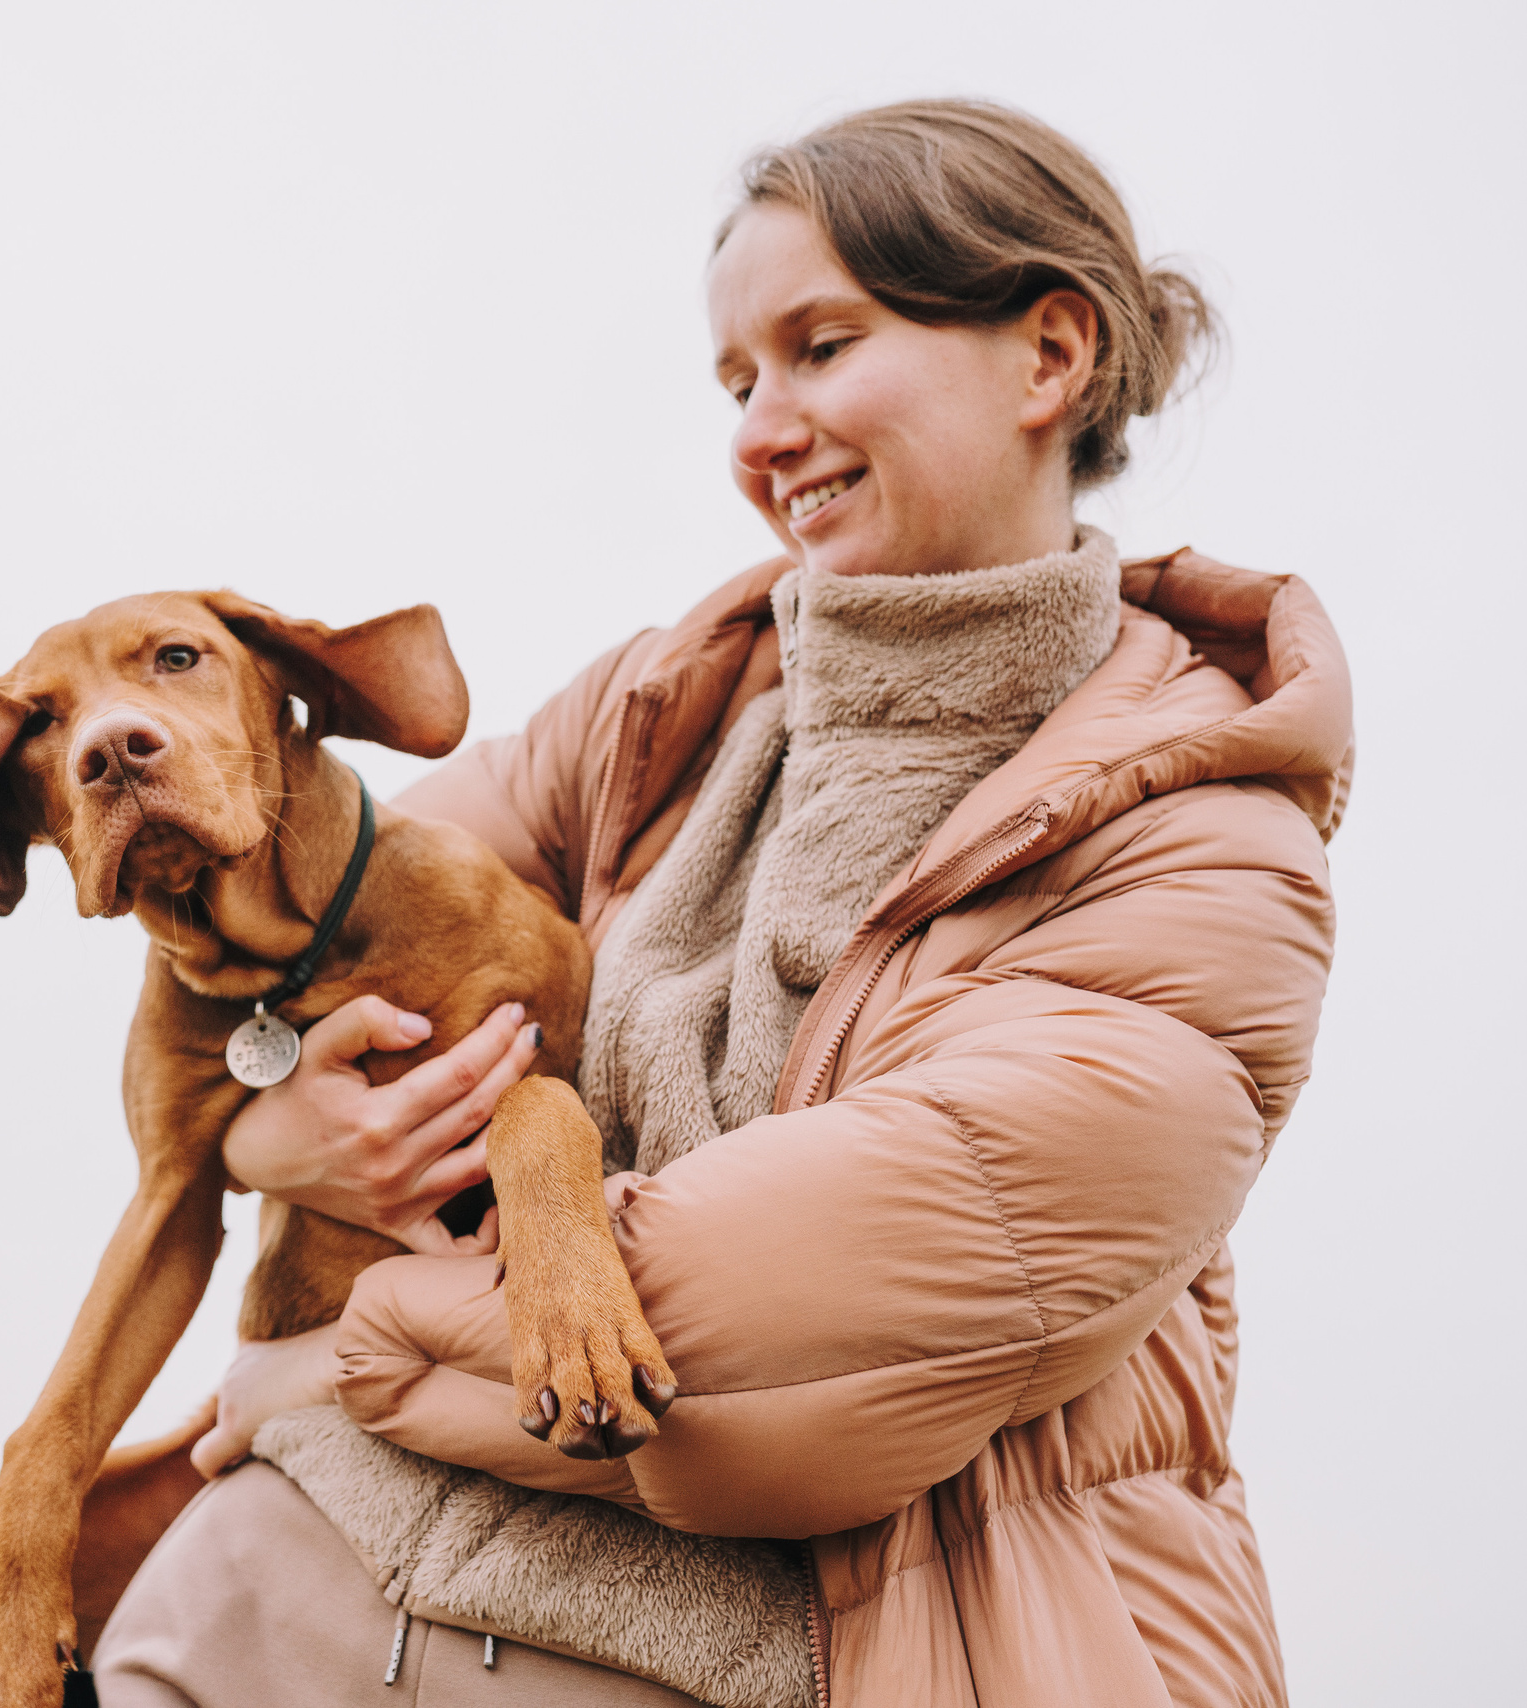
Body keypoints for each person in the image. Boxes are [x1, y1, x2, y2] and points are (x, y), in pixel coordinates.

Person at [89, 99, 1348, 1708]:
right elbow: (282, 919)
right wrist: (273, 1125)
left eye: (822, 346)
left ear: (1051, 357)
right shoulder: (661, 704)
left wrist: (333, 1358)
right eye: (737, 381)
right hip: (367, 1586)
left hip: (861, 1648)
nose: (763, 430)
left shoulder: (1207, 854)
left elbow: (768, 1351)